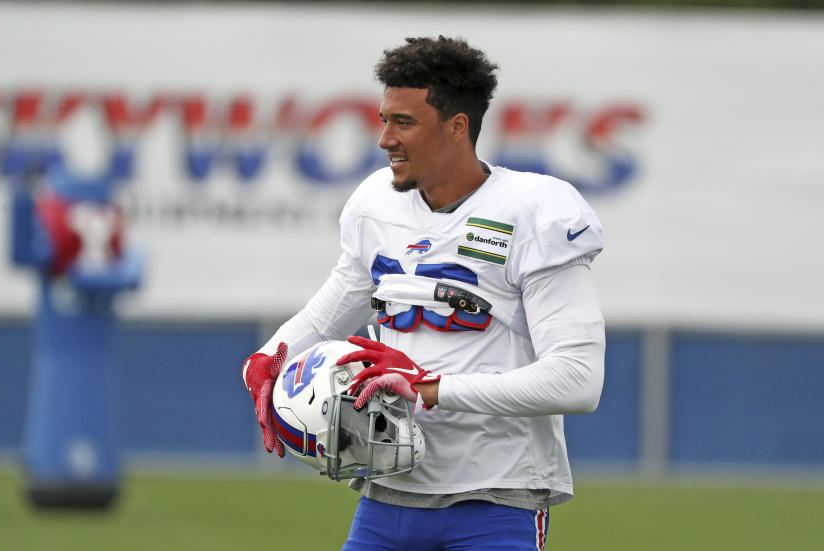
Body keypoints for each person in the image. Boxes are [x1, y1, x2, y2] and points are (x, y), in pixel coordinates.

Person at [243, 35, 605, 551]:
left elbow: (578, 380)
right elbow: (332, 308)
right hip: (387, 497)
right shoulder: (375, 203)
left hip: (495, 498)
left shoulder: (534, 210)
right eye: (384, 119)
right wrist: (266, 359)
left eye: (404, 122)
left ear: (458, 126)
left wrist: (432, 387)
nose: (385, 138)